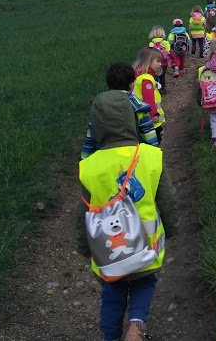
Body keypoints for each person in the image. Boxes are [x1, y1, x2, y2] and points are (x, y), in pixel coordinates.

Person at [75, 89, 178, 341]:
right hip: (146, 246)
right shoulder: (151, 156)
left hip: (109, 252)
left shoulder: (89, 167)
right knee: (145, 283)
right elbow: (168, 198)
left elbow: (83, 212)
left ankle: (110, 336)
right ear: (131, 120)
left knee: (112, 293)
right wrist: (173, 228)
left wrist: (84, 246)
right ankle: (136, 324)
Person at [82, 63, 159, 160]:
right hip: (133, 160)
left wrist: (85, 158)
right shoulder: (138, 106)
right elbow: (148, 135)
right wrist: (154, 157)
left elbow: (91, 136)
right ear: (132, 84)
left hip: (105, 160)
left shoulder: (100, 105)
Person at [133, 47, 165, 144]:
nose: (160, 64)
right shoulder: (146, 79)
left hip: (144, 117)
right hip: (151, 120)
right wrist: (154, 114)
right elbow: (149, 99)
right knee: (155, 141)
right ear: (148, 60)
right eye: (158, 61)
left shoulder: (139, 76)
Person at [147, 27, 171, 95]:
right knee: (162, 75)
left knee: (155, 75)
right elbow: (169, 52)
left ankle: (155, 87)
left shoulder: (151, 43)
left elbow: (148, 53)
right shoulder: (165, 43)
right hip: (164, 62)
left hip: (154, 63)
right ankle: (162, 88)